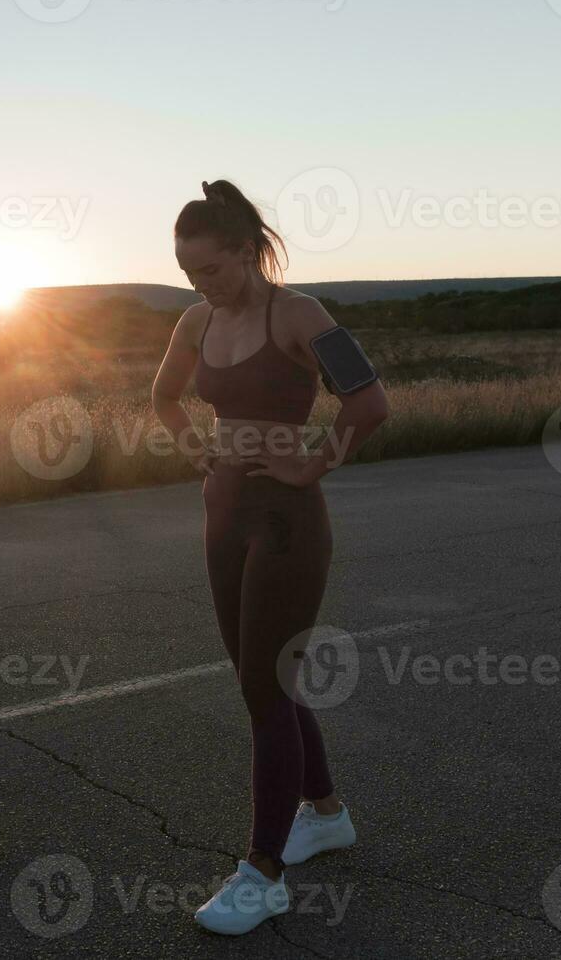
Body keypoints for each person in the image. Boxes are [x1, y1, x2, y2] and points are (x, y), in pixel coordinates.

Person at [149, 180, 390, 934]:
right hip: (223, 511)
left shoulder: (300, 314)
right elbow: (162, 398)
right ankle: (324, 813)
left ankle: (264, 873)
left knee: (264, 685)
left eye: (211, 270)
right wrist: (199, 454)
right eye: (188, 272)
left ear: (249, 253)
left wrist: (311, 465)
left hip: (287, 520)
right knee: (261, 679)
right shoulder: (194, 320)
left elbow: (369, 403)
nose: (200, 285)